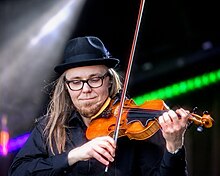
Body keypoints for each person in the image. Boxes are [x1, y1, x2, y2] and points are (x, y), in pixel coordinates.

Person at [8, 36, 189, 176]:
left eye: (94, 79)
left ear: (109, 81)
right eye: (76, 82)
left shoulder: (137, 126)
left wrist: (174, 146)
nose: (85, 89)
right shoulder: (49, 128)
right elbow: (18, 172)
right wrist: (74, 155)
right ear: (66, 86)